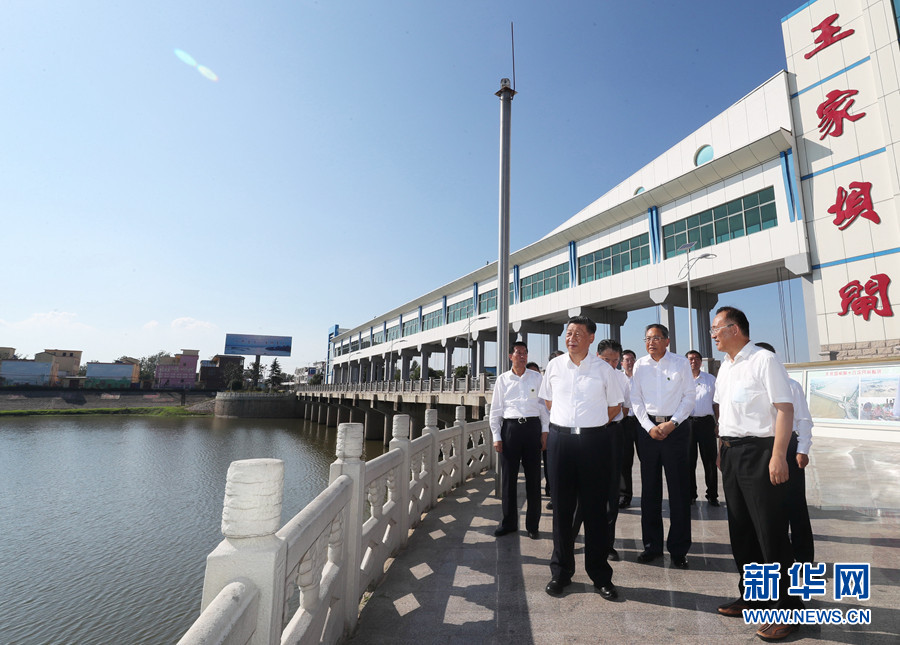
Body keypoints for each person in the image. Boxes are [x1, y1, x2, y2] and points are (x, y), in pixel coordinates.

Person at [712, 307, 803, 642]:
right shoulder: (725, 366)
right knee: (742, 531)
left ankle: (788, 609)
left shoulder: (764, 360)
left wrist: (779, 456)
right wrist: (720, 449)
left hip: (760, 453)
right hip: (731, 453)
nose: (713, 334)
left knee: (770, 532)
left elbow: (784, 409)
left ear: (734, 329)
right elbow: (723, 412)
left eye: (716, 328)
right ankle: (753, 597)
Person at [539, 316, 623, 600]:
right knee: (561, 510)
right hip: (561, 441)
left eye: (578, 333)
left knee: (595, 510)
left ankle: (600, 575)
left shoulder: (604, 369)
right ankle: (561, 573)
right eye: (568, 333)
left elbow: (614, 407)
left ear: (591, 338)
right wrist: (568, 425)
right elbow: (549, 402)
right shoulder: (555, 366)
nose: (571, 338)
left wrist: (590, 424)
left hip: (594, 442)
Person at [630, 323, 695, 569]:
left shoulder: (680, 363)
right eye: (647, 338)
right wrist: (649, 427)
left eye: (656, 338)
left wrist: (673, 423)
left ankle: (679, 549)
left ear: (667, 341)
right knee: (650, 491)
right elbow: (636, 400)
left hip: (675, 431)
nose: (651, 342)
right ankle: (651, 546)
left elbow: (689, 396)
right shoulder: (640, 365)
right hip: (648, 431)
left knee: (679, 491)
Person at [756, 342, 814, 564]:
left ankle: (804, 559)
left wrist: (802, 449)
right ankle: (777, 558)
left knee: (795, 505)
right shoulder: (752, 388)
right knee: (768, 507)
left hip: (788, 448)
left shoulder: (791, 386)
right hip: (760, 449)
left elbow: (803, 419)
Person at [489, 341, 549, 540]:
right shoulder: (503, 380)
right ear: (510, 356)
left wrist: (545, 431)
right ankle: (509, 523)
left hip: (532, 428)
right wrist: (496, 436)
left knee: (533, 479)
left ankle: (533, 525)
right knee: (509, 480)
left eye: (525, 353)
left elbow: (543, 407)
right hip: (511, 430)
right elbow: (496, 410)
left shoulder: (537, 377)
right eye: (518, 353)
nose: (522, 356)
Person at [685, 350, 719, 506]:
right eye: (690, 359)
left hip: (706, 423)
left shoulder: (710, 379)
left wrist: (718, 423)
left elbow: (716, 403)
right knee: (688, 461)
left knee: (710, 461)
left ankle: (712, 495)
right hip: (687, 424)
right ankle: (690, 494)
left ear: (701, 361)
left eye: (697, 358)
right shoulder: (681, 379)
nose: (694, 361)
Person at [544, 349, 566, 511]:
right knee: (553, 468)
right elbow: (545, 407)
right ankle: (554, 496)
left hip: (571, 433)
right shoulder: (549, 379)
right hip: (553, 430)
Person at [618, 349, 639, 508]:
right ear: (621, 363)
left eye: (632, 359)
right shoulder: (618, 379)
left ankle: (650, 495)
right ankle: (625, 495)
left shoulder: (642, 378)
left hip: (642, 422)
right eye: (627, 360)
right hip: (624, 422)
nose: (630, 362)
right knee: (625, 460)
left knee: (648, 459)